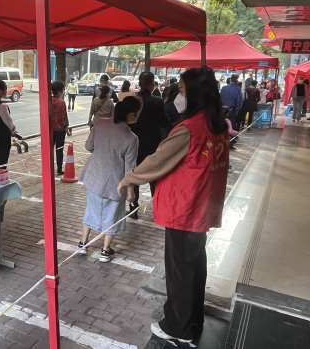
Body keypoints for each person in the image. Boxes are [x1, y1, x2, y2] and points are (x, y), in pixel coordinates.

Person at [118, 66, 229, 344]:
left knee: (180, 272)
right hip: (202, 207)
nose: (177, 96)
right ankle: (193, 320)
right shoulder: (217, 124)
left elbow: (158, 160)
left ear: (195, 94)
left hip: (185, 209)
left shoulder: (189, 129)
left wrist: (129, 178)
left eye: (181, 91)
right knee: (194, 267)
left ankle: (178, 328)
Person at [78, 96, 142, 262]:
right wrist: (131, 191)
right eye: (137, 114)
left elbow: (88, 146)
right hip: (115, 183)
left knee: (91, 209)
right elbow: (129, 169)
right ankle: (105, 251)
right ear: (131, 115)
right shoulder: (131, 138)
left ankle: (83, 243)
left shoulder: (100, 123)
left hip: (94, 176)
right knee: (112, 215)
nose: (138, 117)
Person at [128, 72, 168, 216]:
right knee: (154, 176)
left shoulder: (132, 100)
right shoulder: (157, 101)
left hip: (134, 143)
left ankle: (133, 207)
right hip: (153, 144)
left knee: (135, 173)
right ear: (151, 85)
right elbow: (164, 122)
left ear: (140, 83)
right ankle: (157, 207)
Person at [50, 81, 70, 175]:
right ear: (59, 91)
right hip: (60, 129)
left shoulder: (49, 100)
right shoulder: (61, 102)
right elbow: (64, 117)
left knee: (50, 149)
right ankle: (59, 168)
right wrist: (66, 129)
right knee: (59, 149)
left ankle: (49, 167)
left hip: (50, 129)